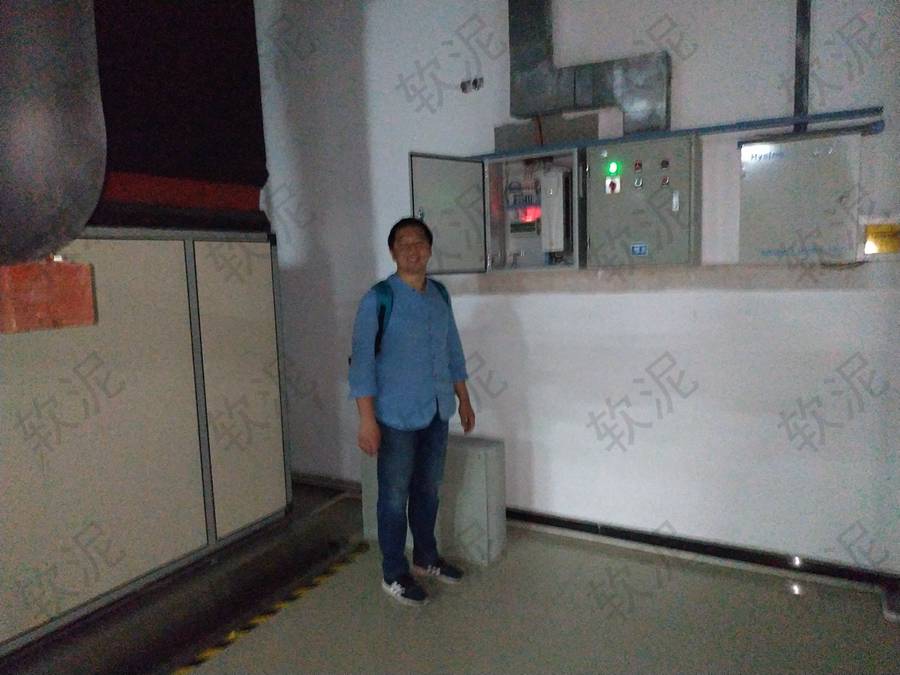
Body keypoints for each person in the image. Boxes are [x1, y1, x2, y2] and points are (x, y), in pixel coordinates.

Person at [349, 217, 475, 606]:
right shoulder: (378, 300)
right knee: (393, 496)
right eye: (403, 243)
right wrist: (366, 420)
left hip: (436, 410)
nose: (412, 250)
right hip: (395, 417)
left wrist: (464, 398)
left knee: (428, 489)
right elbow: (361, 366)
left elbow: (452, 349)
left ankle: (425, 557)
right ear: (392, 252)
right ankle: (393, 572)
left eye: (419, 242)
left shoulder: (440, 295)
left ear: (429, 249)